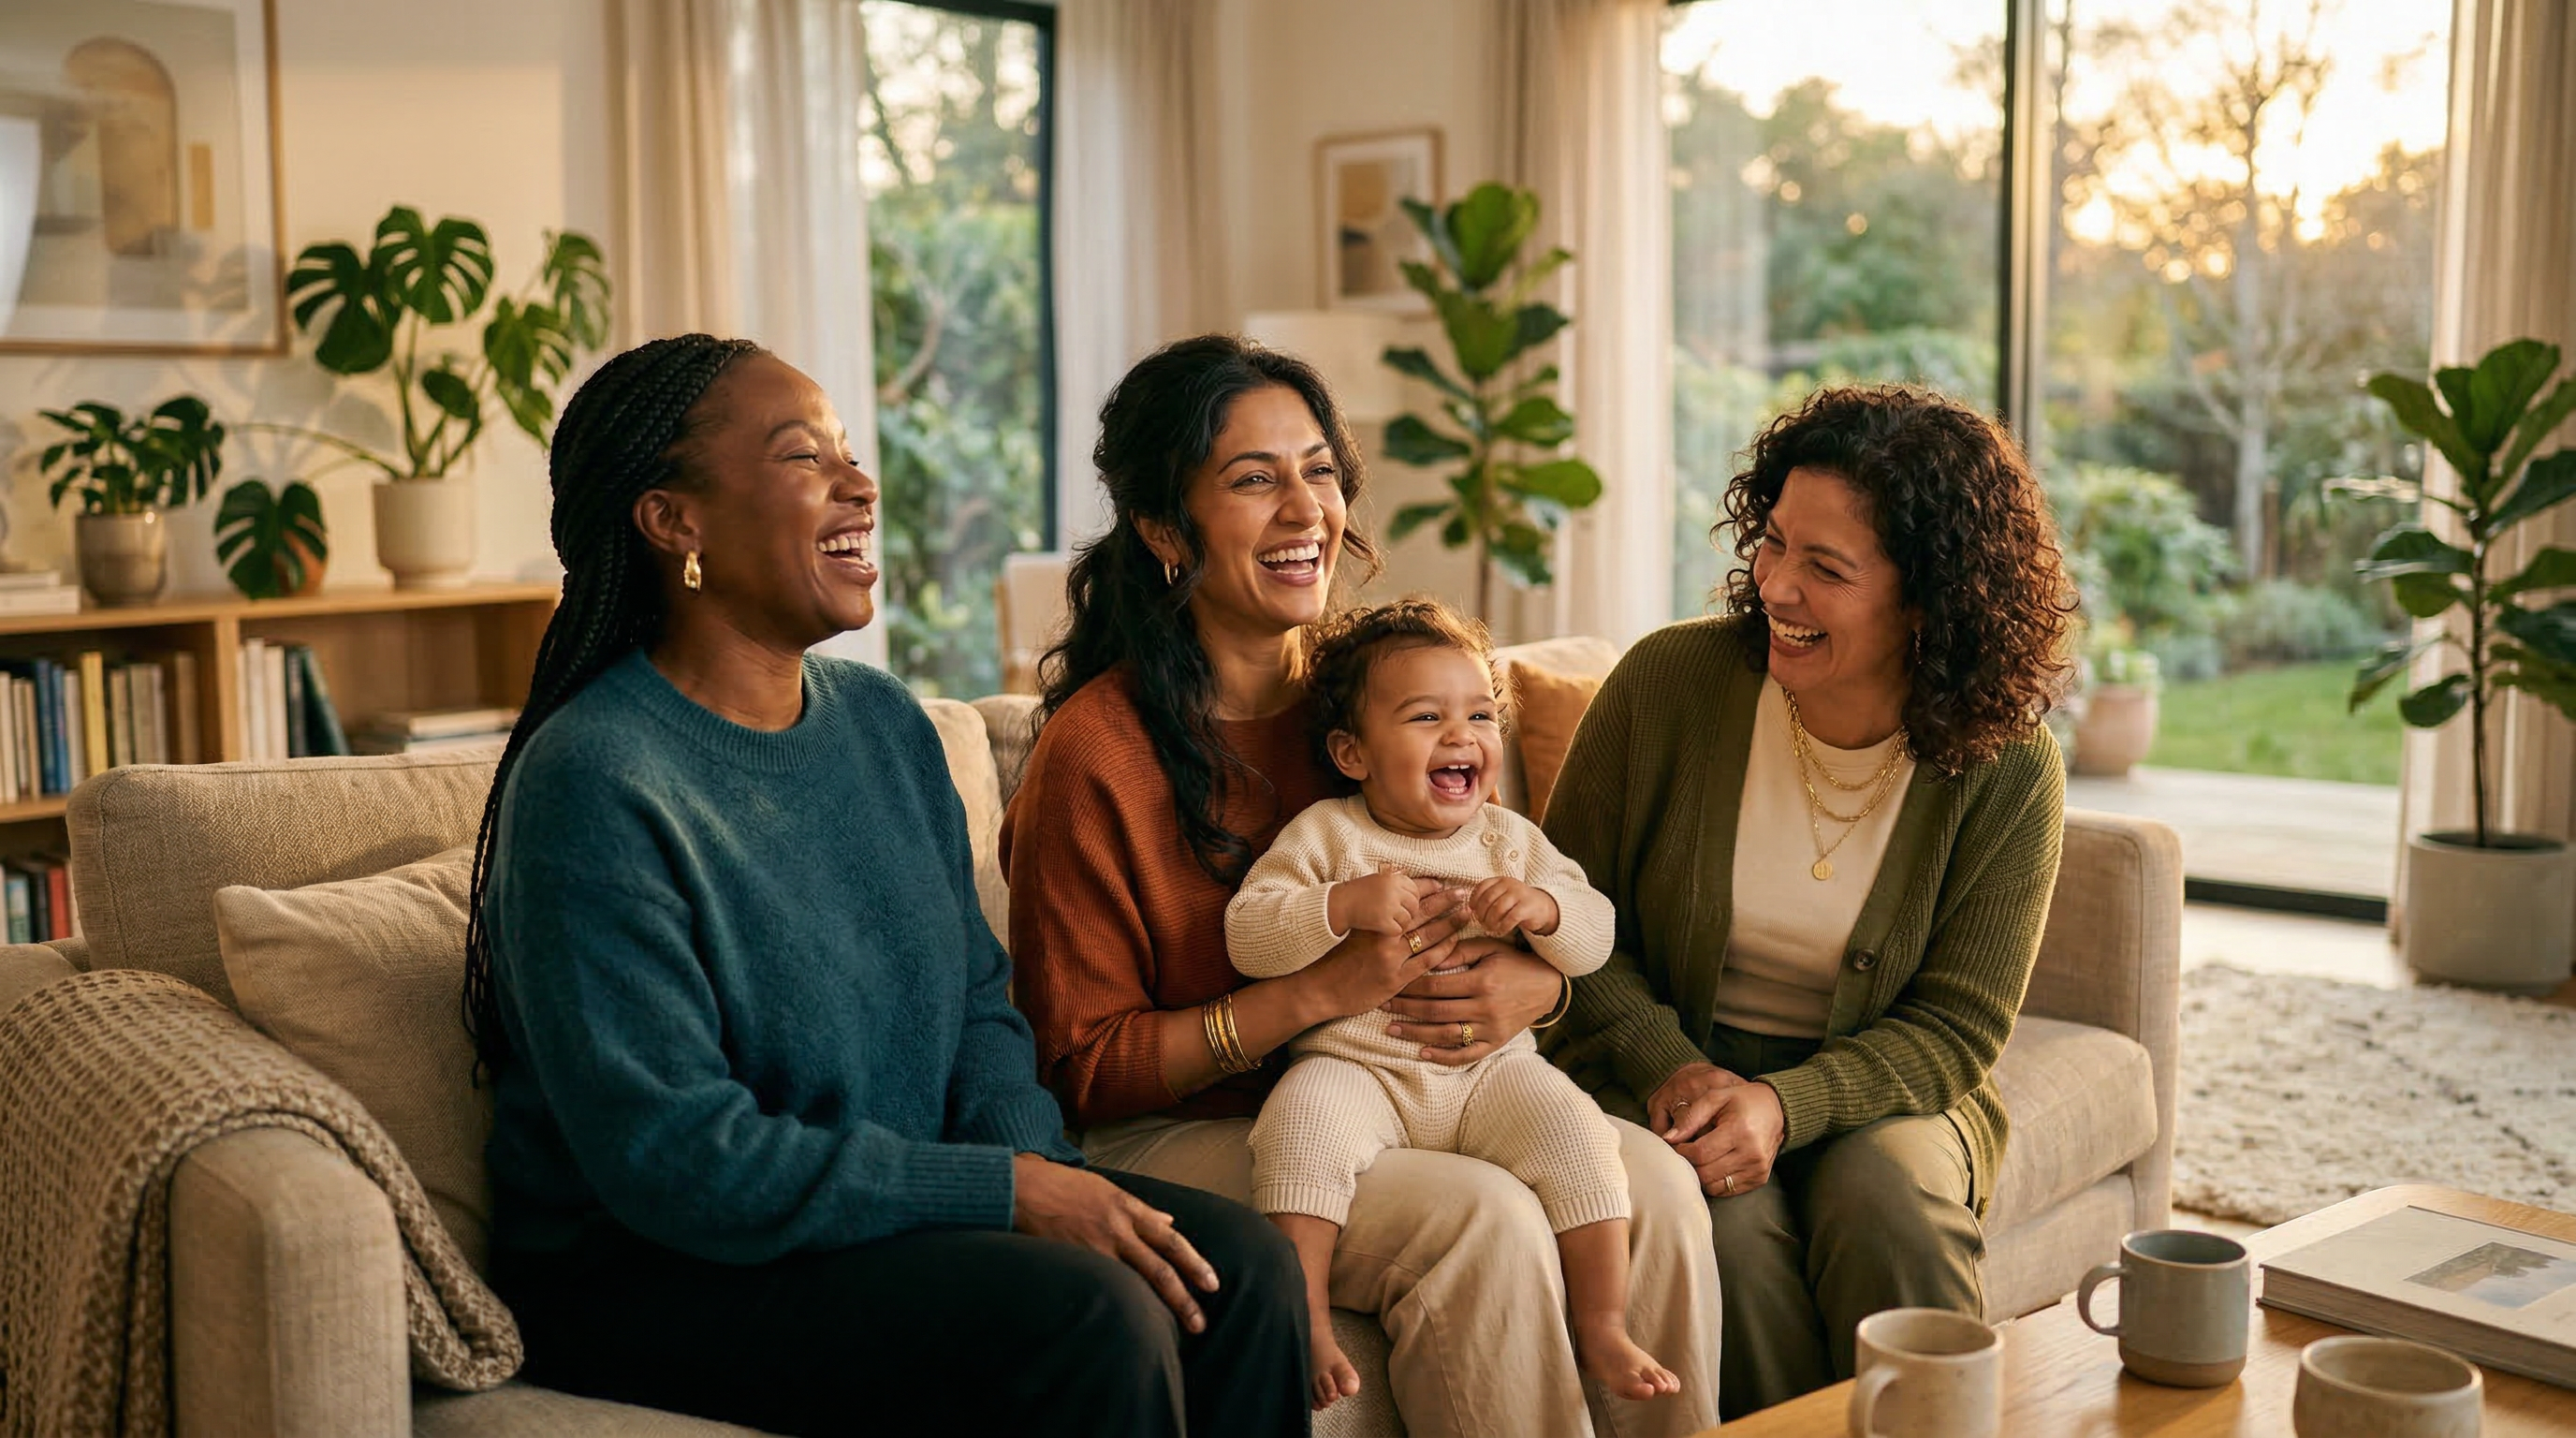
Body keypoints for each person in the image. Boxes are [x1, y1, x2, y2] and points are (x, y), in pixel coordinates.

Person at [466, 334, 1310, 1438]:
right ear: (674, 521)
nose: (858, 482)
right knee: (1093, 1315)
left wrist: (1046, 1174)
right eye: (801, 457)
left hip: (876, 1222)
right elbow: (672, 1156)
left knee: (1238, 1268)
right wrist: (1007, 1196)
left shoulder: (882, 726)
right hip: (661, 1271)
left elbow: (974, 1008)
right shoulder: (596, 778)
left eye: (848, 452)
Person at [1002, 333, 1721, 1438]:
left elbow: (1506, 880)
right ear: (1161, 531)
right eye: (1253, 479)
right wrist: (1313, 992)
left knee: (1658, 1191)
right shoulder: (1096, 756)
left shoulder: (1384, 696)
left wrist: (1538, 987)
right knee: (1479, 1219)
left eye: (1320, 470)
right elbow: (1085, 1069)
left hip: (1425, 1083)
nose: (1305, 511)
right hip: (1190, 1125)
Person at [1543, 384, 2079, 1419]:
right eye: (1773, 541)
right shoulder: (1669, 684)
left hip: (1884, 1083)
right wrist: (1682, 1071)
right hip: (1665, 1063)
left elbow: (1959, 1026)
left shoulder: (2008, 765)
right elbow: (1565, 927)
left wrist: (1789, 1106)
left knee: (1892, 1207)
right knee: (1723, 1243)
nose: (1775, 584)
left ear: (1929, 600)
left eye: (1825, 568)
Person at [1225, 598, 1682, 1411]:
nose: (1461, 735)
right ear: (1352, 752)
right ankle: (1303, 1320)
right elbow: (1249, 938)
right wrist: (1339, 905)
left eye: (1480, 714)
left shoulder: (1509, 840)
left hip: (1490, 1074)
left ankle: (1604, 1323)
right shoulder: (1328, 836)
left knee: (1580, 1136)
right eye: (1426, 716)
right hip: (1358, 1069)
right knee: (1296, 1130)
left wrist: (1543, 911)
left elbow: (1595, 936)